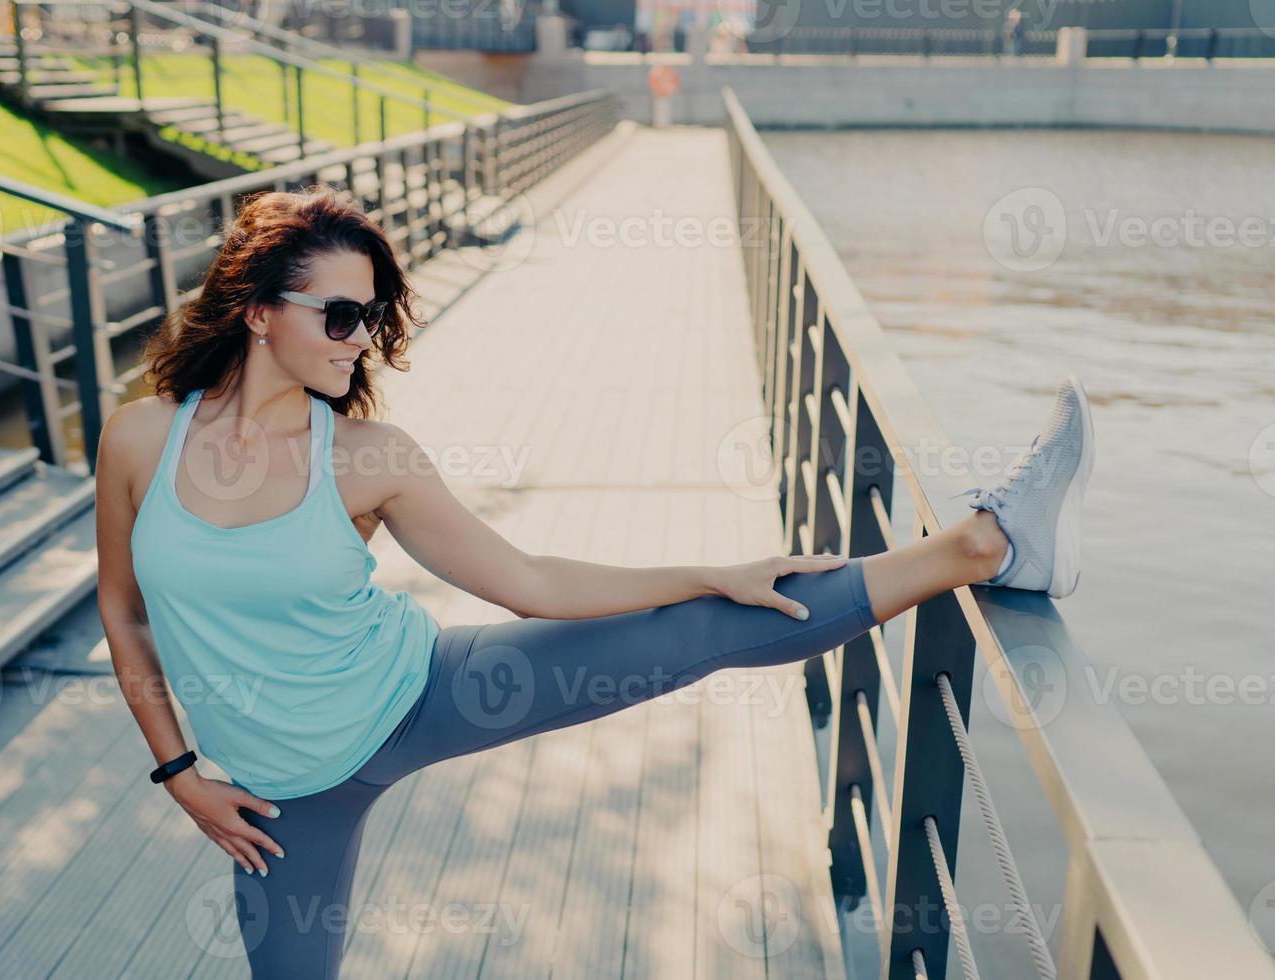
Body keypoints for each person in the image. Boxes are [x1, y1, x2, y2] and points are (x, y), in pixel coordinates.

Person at [93, 186, 1095, 978]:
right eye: (343, 314)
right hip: (277, 796)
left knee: (704, 628)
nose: (362, 337)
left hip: (417, 692)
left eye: (375, 316)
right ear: (261, 310)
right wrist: (180, 774)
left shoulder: (369, 456)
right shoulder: (140, 438)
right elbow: (124, 609)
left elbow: (528, 579)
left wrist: (708, 568)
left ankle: (984, 541)